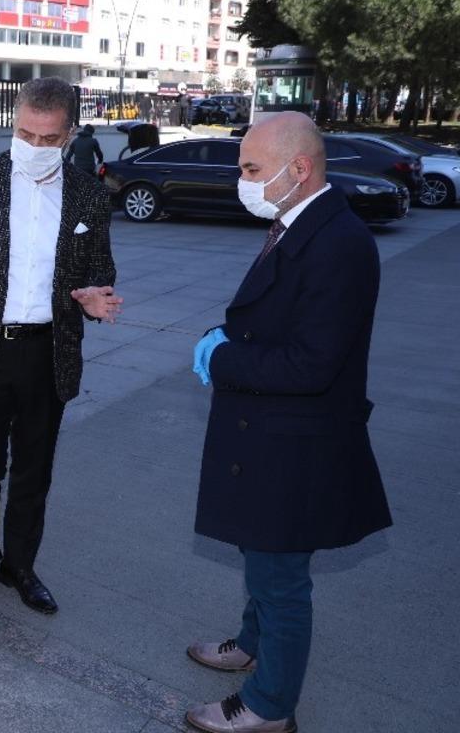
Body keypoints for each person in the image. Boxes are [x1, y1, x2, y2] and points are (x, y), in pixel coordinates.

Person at [185, 112, 391, 733]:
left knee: (280, 579)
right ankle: (251, 644)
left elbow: (311, 364)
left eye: (251, 169)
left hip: (296, 441)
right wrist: (230, 338)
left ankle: (269, 706)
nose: (242, 180)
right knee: (260, 552)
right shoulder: (299, 220)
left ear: (298, 169)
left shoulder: (339, 243)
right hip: (270, 430)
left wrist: (224, 356)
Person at [0, 77, 123, 616]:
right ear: (13, 123)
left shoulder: (88, 195)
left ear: (69, 134)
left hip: (47, 351)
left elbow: (100, 265)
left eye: (47, 138)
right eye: (24, 134)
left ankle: (21, 566)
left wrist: (95, 296)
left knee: (36, 469)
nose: (33, 147)